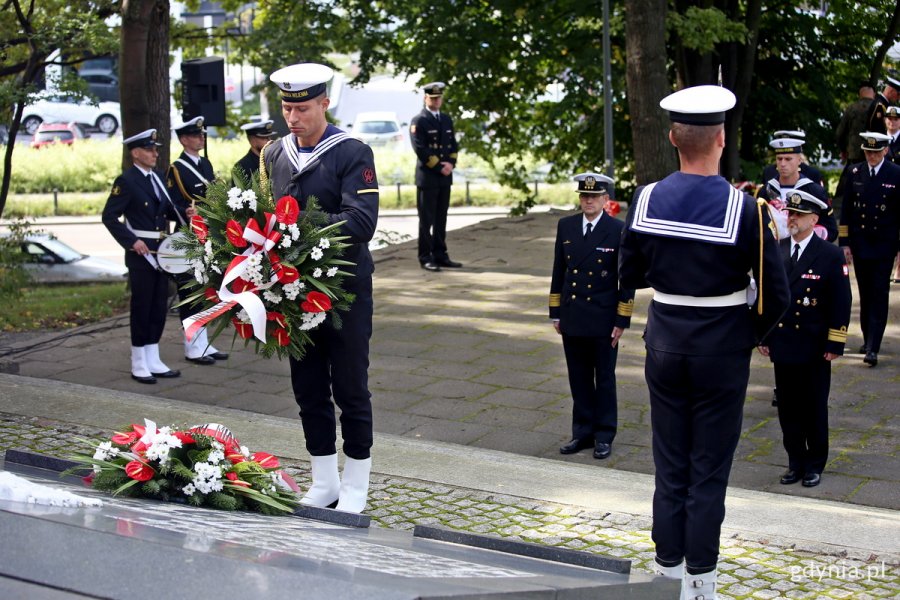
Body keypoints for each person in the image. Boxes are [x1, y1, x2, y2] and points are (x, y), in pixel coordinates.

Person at [619, 85, 790, 599]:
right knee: (708, 470)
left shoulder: (646, 197)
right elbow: (776, 294)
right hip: (722, 350)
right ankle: (701, 583)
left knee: (669, 463)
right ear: (720, 138)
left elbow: (627, 273)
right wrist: (746, 336)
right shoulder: (748, 209)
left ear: (673, 137)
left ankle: (666, 572)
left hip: (665, 342)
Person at [261, 63, 379, 514]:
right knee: (307, 388)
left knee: (350, 388)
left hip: (344, 291)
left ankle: (356, 485)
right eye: (287, 107)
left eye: (303, 107)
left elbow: (362, 224)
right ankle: (324, 480)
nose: (293, 117)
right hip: (291, 293)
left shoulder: (351, 152)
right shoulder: (274, 154)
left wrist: (295, 225)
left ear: (324, 104)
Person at [757, 189, 851, 489]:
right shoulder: (778, 249)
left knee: (813, 407)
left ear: (815, 218)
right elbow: (767, 296)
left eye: (798, 214)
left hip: (813, 346)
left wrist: (835, 343)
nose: (792, 218)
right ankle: (795, 462)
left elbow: (841, 302)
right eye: (790, 213)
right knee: (788, 408)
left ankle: (815, 464)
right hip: (783, 344)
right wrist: (763, 334)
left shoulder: (830, 254)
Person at [549, 172, 634, 461]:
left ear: (605, 199)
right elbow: (559, 271)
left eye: (594, 196)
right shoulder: (567, 226)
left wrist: (622, 320)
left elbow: (627, 278)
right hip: (573, 315)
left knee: (605, 379)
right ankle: (582, 432)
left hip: (603, 318)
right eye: (584, 196)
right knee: (579, 377)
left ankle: (604, 435)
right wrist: (555, 312)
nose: (588, 201)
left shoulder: (618, 230)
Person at [102, 130, 190, 384]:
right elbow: (109, 217)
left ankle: (153, 357)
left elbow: (167, 211)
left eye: (155, 149)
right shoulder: (127, 181)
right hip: (141, 254)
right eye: (149, 149)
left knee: (157, 307)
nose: (155, 153)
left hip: (161, 252)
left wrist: (186, 212)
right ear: (135, 153)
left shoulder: (158, 178)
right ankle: (138, 361)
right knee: (141, 307)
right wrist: (131, 242)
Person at [165, 116, 228, 366]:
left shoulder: (205, 163)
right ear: (183, 140)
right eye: (195, 135)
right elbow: (170, 203)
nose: (201, 138)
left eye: (201, 134)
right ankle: (192, 345)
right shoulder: (176, 169)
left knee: (204, 289)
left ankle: (203, 341)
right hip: (189, 234)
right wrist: (185, 210)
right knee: (189, 290)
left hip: (207, 233)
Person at [837, 132, 900, 367]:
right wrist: (844, 243)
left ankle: (874, 346)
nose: (871, 156)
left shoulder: (895, 173)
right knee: (864, 294)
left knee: (879, 293)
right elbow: (846, 210)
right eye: (867, 152)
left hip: (885, 244)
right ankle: (867, 338)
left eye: (875, 152)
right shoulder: (855, 173)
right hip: (861, 243)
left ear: (884, 151)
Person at [410, 81, 461, 272]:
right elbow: (420, 149)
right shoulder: (419, 121)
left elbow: (453, 145)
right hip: (428, 177)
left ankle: (441, 254)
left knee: (441, 218)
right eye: (433, 98)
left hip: (444, 176)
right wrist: (440, 166)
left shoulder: (446, 119)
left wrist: (451, 164)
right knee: (426, 220)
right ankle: (425, 257)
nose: (437, 100)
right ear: (426, 98)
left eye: (439, 97)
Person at [758, 137, 838, 242]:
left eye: (788, 159)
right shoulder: (765, 190)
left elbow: (831, 230)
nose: (782, 164)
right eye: (779, 159)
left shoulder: (814, 191)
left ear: (799, 160)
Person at [836, 82, 876, 165]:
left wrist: (843, 150)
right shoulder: (880, 108)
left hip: (854, 154)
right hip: (875, 154)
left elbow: (840, 133)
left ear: (859, 94)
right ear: (874, 94)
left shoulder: (851, 108)